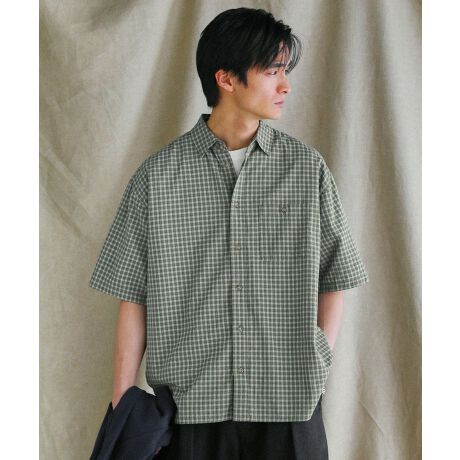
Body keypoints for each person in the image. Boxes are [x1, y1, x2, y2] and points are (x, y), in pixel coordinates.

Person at [89, 7, 369, 460]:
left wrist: (318, 358)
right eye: (272, 71)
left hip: (288, 406)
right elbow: (133, 294)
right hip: (190, 413)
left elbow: (336, 274)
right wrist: (123, 400)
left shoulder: (305, 169)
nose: (285, 85)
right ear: (226, 79)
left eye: (285, 71)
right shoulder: (157, 178)